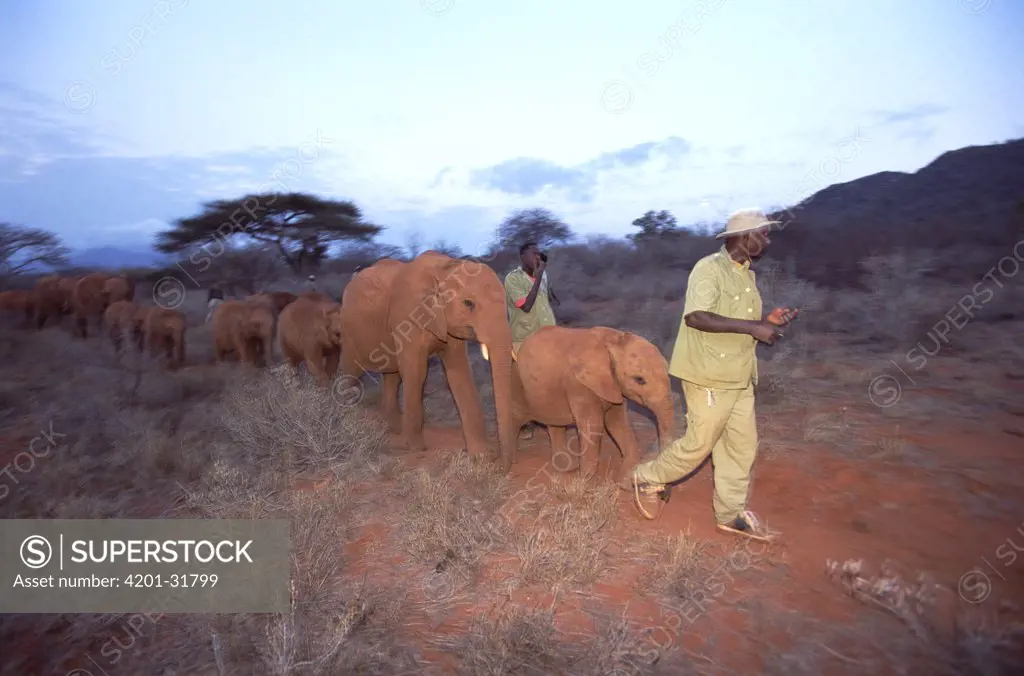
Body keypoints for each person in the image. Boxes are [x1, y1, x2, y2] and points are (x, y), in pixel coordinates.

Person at [625, 208, 798, 542]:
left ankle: (731, 514)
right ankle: (646, 477)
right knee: (698, 444)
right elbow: (697, 317)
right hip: (708, 376)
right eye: (762, 233)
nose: (768, 239)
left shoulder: (745, 273)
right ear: (742, 236)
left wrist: (768, 322)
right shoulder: (708, 269)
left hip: (739, 376)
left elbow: (733, 320)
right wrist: (754, 327)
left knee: (741, 447)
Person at [505, 241, 558, 439]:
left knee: (547, 379)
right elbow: (526, 306)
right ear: (522, 257)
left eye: (539, 254)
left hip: (548, 335)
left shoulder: (543, 275)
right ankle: (524, 423)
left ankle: (548, 417)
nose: (537, 257)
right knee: (523, 382)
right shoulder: (513, 279)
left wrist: (543, 280)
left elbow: (546, 301)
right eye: (533, 254)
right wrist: (537, 278)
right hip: (524, 337)